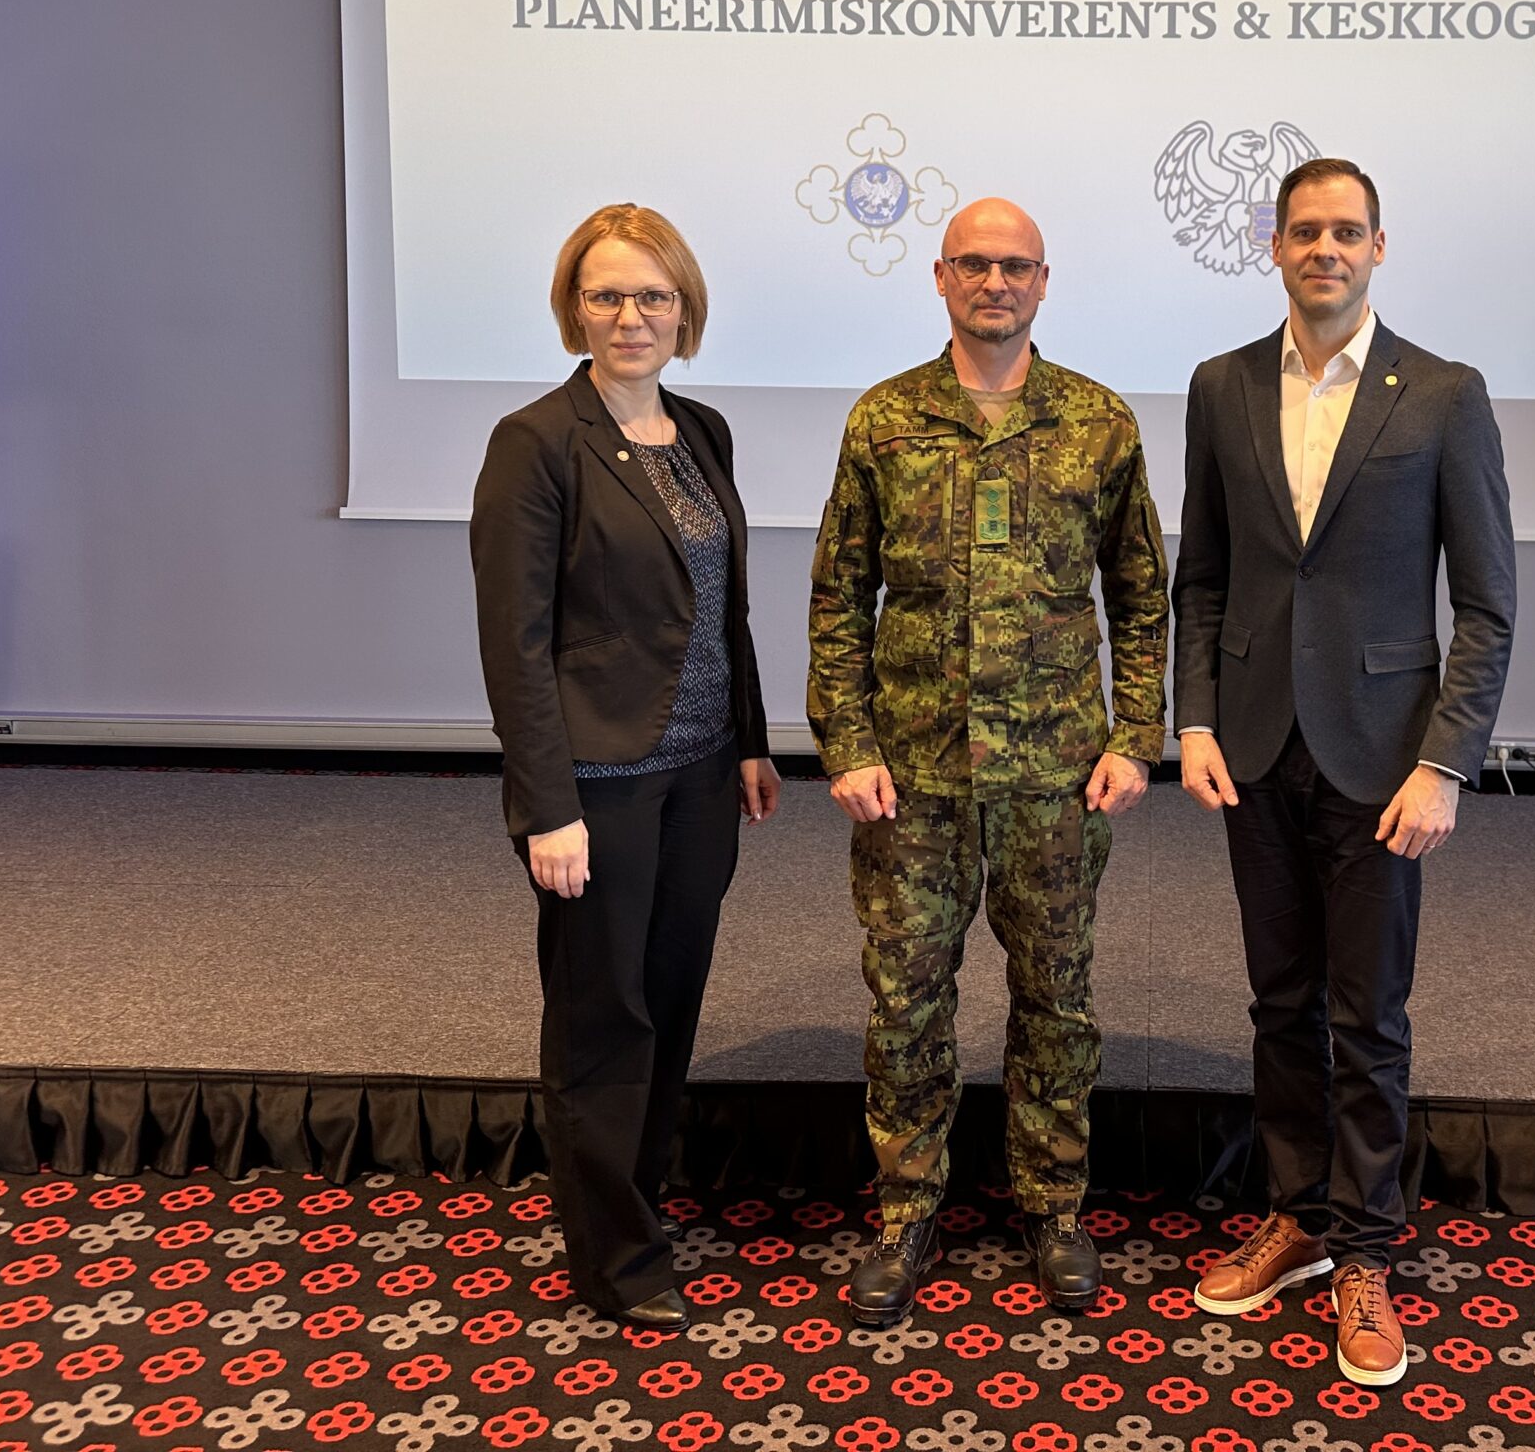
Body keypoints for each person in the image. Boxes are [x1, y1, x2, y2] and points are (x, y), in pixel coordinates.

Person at [1172, 159, 1515, 1386]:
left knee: (1368, 1017)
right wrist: (1193, 720)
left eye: (1347, 232)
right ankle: (1298, 1221)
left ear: (1378, 247)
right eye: (1305, 231)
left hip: (1384, 762)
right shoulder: (1219, 386)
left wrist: (1445, 764)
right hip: (1253, 749)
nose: (1325, 249)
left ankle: (1365, 1251)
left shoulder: (1444, 394)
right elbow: (1203, 577)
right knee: (1280, 1005)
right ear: (1273, 246)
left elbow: (1487, 606)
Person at [808, 197, 1170, 1326]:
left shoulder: (1099, 423)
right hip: (911, 779)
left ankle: (1053, 1209)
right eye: (974, 264)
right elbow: (837, 598)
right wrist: (847, 742)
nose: (995, 283)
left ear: (1044, 281)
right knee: (906, 1002)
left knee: (1056, 999)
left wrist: (1135, 736)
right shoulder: (884, 420)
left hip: (1055, 778)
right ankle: (906, 1211)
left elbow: (1142, 598)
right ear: (940, 276)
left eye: (1016, 266)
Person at [470, 202, 782, 1334]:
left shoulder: (701, 430)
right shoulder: (536, 441)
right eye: (605, 295)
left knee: (671, 998)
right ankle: (613, 1257)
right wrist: (546, 806)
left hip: (700, 774)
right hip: (597, 783)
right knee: (603, 1018)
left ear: (684, 308)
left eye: (653, 295)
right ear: (574, 308)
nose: (630, 316)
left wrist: (750, 738)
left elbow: (722, 608)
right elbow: (515, 642)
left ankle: (637, 1199)